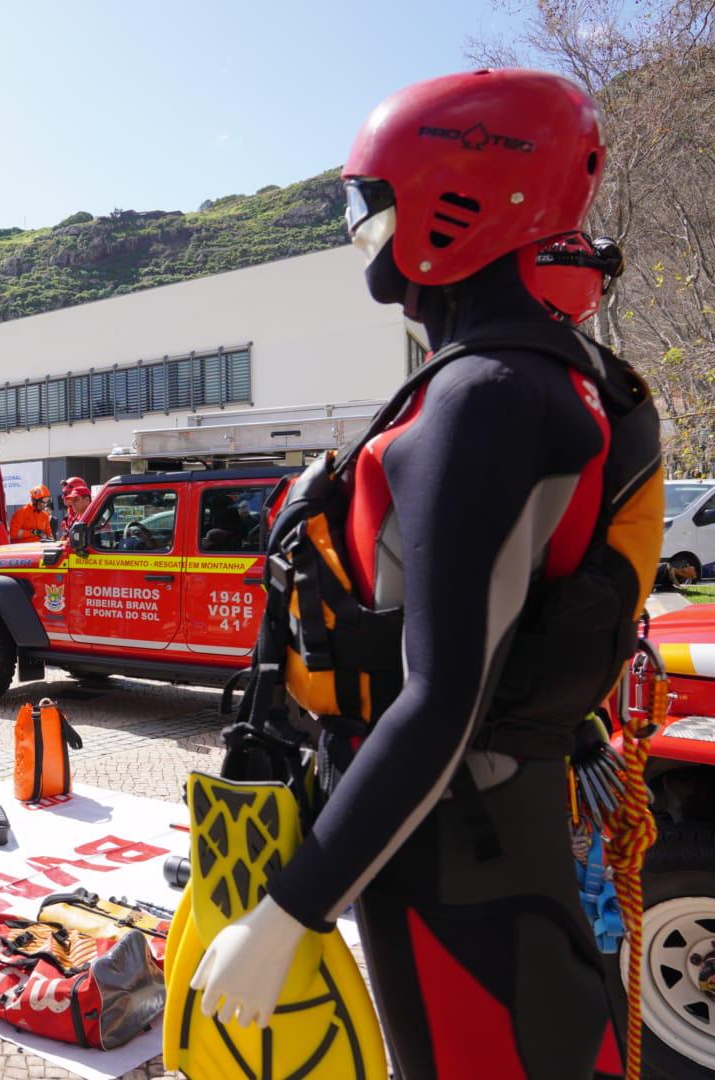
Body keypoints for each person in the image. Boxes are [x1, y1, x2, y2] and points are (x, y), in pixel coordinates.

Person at [189, 70, 654, 1078]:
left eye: (369, 205)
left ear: (458, 196)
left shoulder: (483, 395)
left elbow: (440, 698)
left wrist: (288, 915)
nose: (360, 233)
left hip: (461, 856)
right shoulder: (533, 374)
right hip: (479, 834)